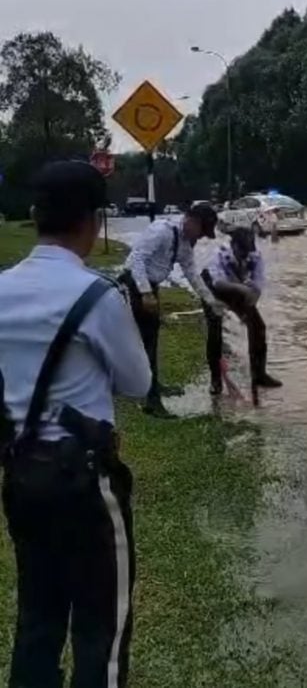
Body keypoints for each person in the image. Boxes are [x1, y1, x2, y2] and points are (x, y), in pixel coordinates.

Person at [0, 160, 151, 688]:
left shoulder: (0, 289)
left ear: (36, 216)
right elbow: (138, 382)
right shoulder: (97, 295)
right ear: (92, 221)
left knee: (37, 624)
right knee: (100, 633)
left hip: (22, 479)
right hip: (85, 486)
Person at [119, 204, 224, 418]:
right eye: (202, 231)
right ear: (192, 221)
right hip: (135, 284)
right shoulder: (161, 230)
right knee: (147, 340)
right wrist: (146, 293)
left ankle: (153, 384)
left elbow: (192, 273)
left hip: (151, 285)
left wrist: (211, 301)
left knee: (152, 337)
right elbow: (137, 258)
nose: (202, 237)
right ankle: (152, 401)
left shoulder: (185, 243)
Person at [201, 226, 282, 395]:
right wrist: (244, 290)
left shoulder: (255, 257)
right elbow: (218, 283)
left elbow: (258, 284)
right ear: (234, 245)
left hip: (238, 290)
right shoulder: (218, 254)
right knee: (215, 332)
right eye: (242, 251)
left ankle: (259, 374)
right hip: (213, 289)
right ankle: (215, 381)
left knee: (258, 327)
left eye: (248, 252)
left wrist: (251, 301)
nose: (245, 255)